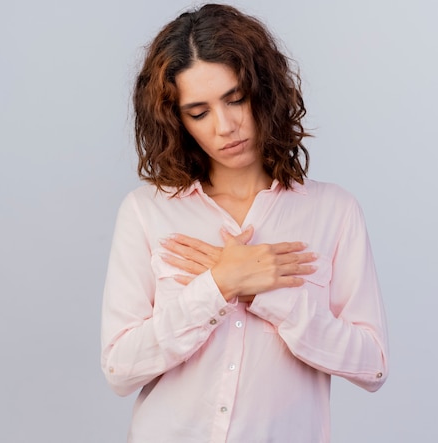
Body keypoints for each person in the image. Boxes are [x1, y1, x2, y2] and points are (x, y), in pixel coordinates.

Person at [101, 4, 388, 442]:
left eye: (236, 99)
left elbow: (373, 365)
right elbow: (120, 368)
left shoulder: (333, 211)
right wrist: (218, 284)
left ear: (264, 90)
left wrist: (271, 296)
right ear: (176, 120)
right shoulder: (147, 211)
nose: (226, 126)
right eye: (199, 112)